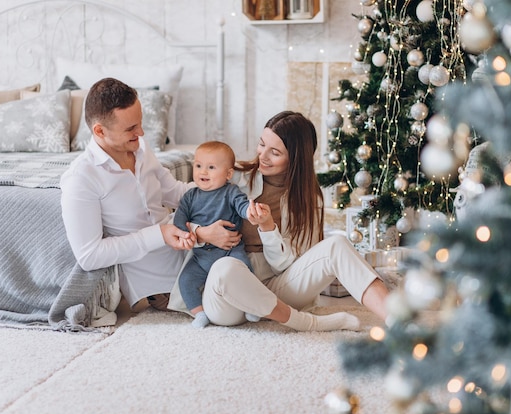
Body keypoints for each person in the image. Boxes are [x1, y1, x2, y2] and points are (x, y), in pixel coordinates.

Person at [169, 111, 390, 331]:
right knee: (224, 268)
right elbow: (181, 211)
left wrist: (268, 228)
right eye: (261, 144)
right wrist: (202, 233)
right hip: (229, 298)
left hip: (279, 286)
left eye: (274, 152)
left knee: (338, 245)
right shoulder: (233, 175)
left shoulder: (308, 199)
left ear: (295, 158)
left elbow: (286, 265)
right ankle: (308, 324)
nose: (263, 156)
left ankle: (399, 322)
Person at [60, 77, 198, 312]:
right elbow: (89, 255)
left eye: (140, 123)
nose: (141, 132)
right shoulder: (81, 178)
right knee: (237, 298)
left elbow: (174, 192)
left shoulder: (140, 148)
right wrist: (160, 235)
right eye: (131, 128)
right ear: (99, 131)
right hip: (160, 283)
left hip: (191, 249)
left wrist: (221, 191)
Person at [173, 140, 258, 328]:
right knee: (186, 280)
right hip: (201, 256)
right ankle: (199, 313)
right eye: (198, 166)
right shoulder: (190, 196)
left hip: (230, 251)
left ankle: (251, 305)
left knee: (244, 270)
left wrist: (250, 211)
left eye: (211, 167)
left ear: (228, 174)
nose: (203, 172)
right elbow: (179, 220)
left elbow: (242, 205)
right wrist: (185, 233)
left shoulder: (231, 192)